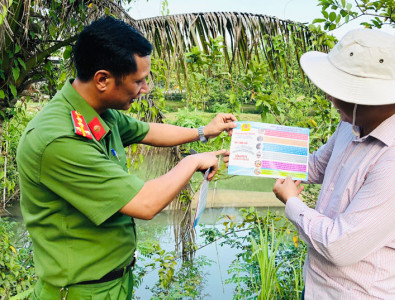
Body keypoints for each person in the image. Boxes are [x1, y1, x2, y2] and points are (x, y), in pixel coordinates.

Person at [17, 16, 237, 299]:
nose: (145, 90)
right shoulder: (60, 139)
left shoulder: (96, 112)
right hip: (79, 292)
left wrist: (203, 132)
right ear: (103, 79)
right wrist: (192, 161)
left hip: (113, 283)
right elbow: (145, 204)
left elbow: (147, 131)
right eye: (139, 81)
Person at [272, 29, 395, 299]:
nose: (330, 99)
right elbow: (317, 166)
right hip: (317, 287)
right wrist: (250, 148)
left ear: (365, 97)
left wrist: (293, 203)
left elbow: (340, 246)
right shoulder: (352, 124)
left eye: (335, 91)